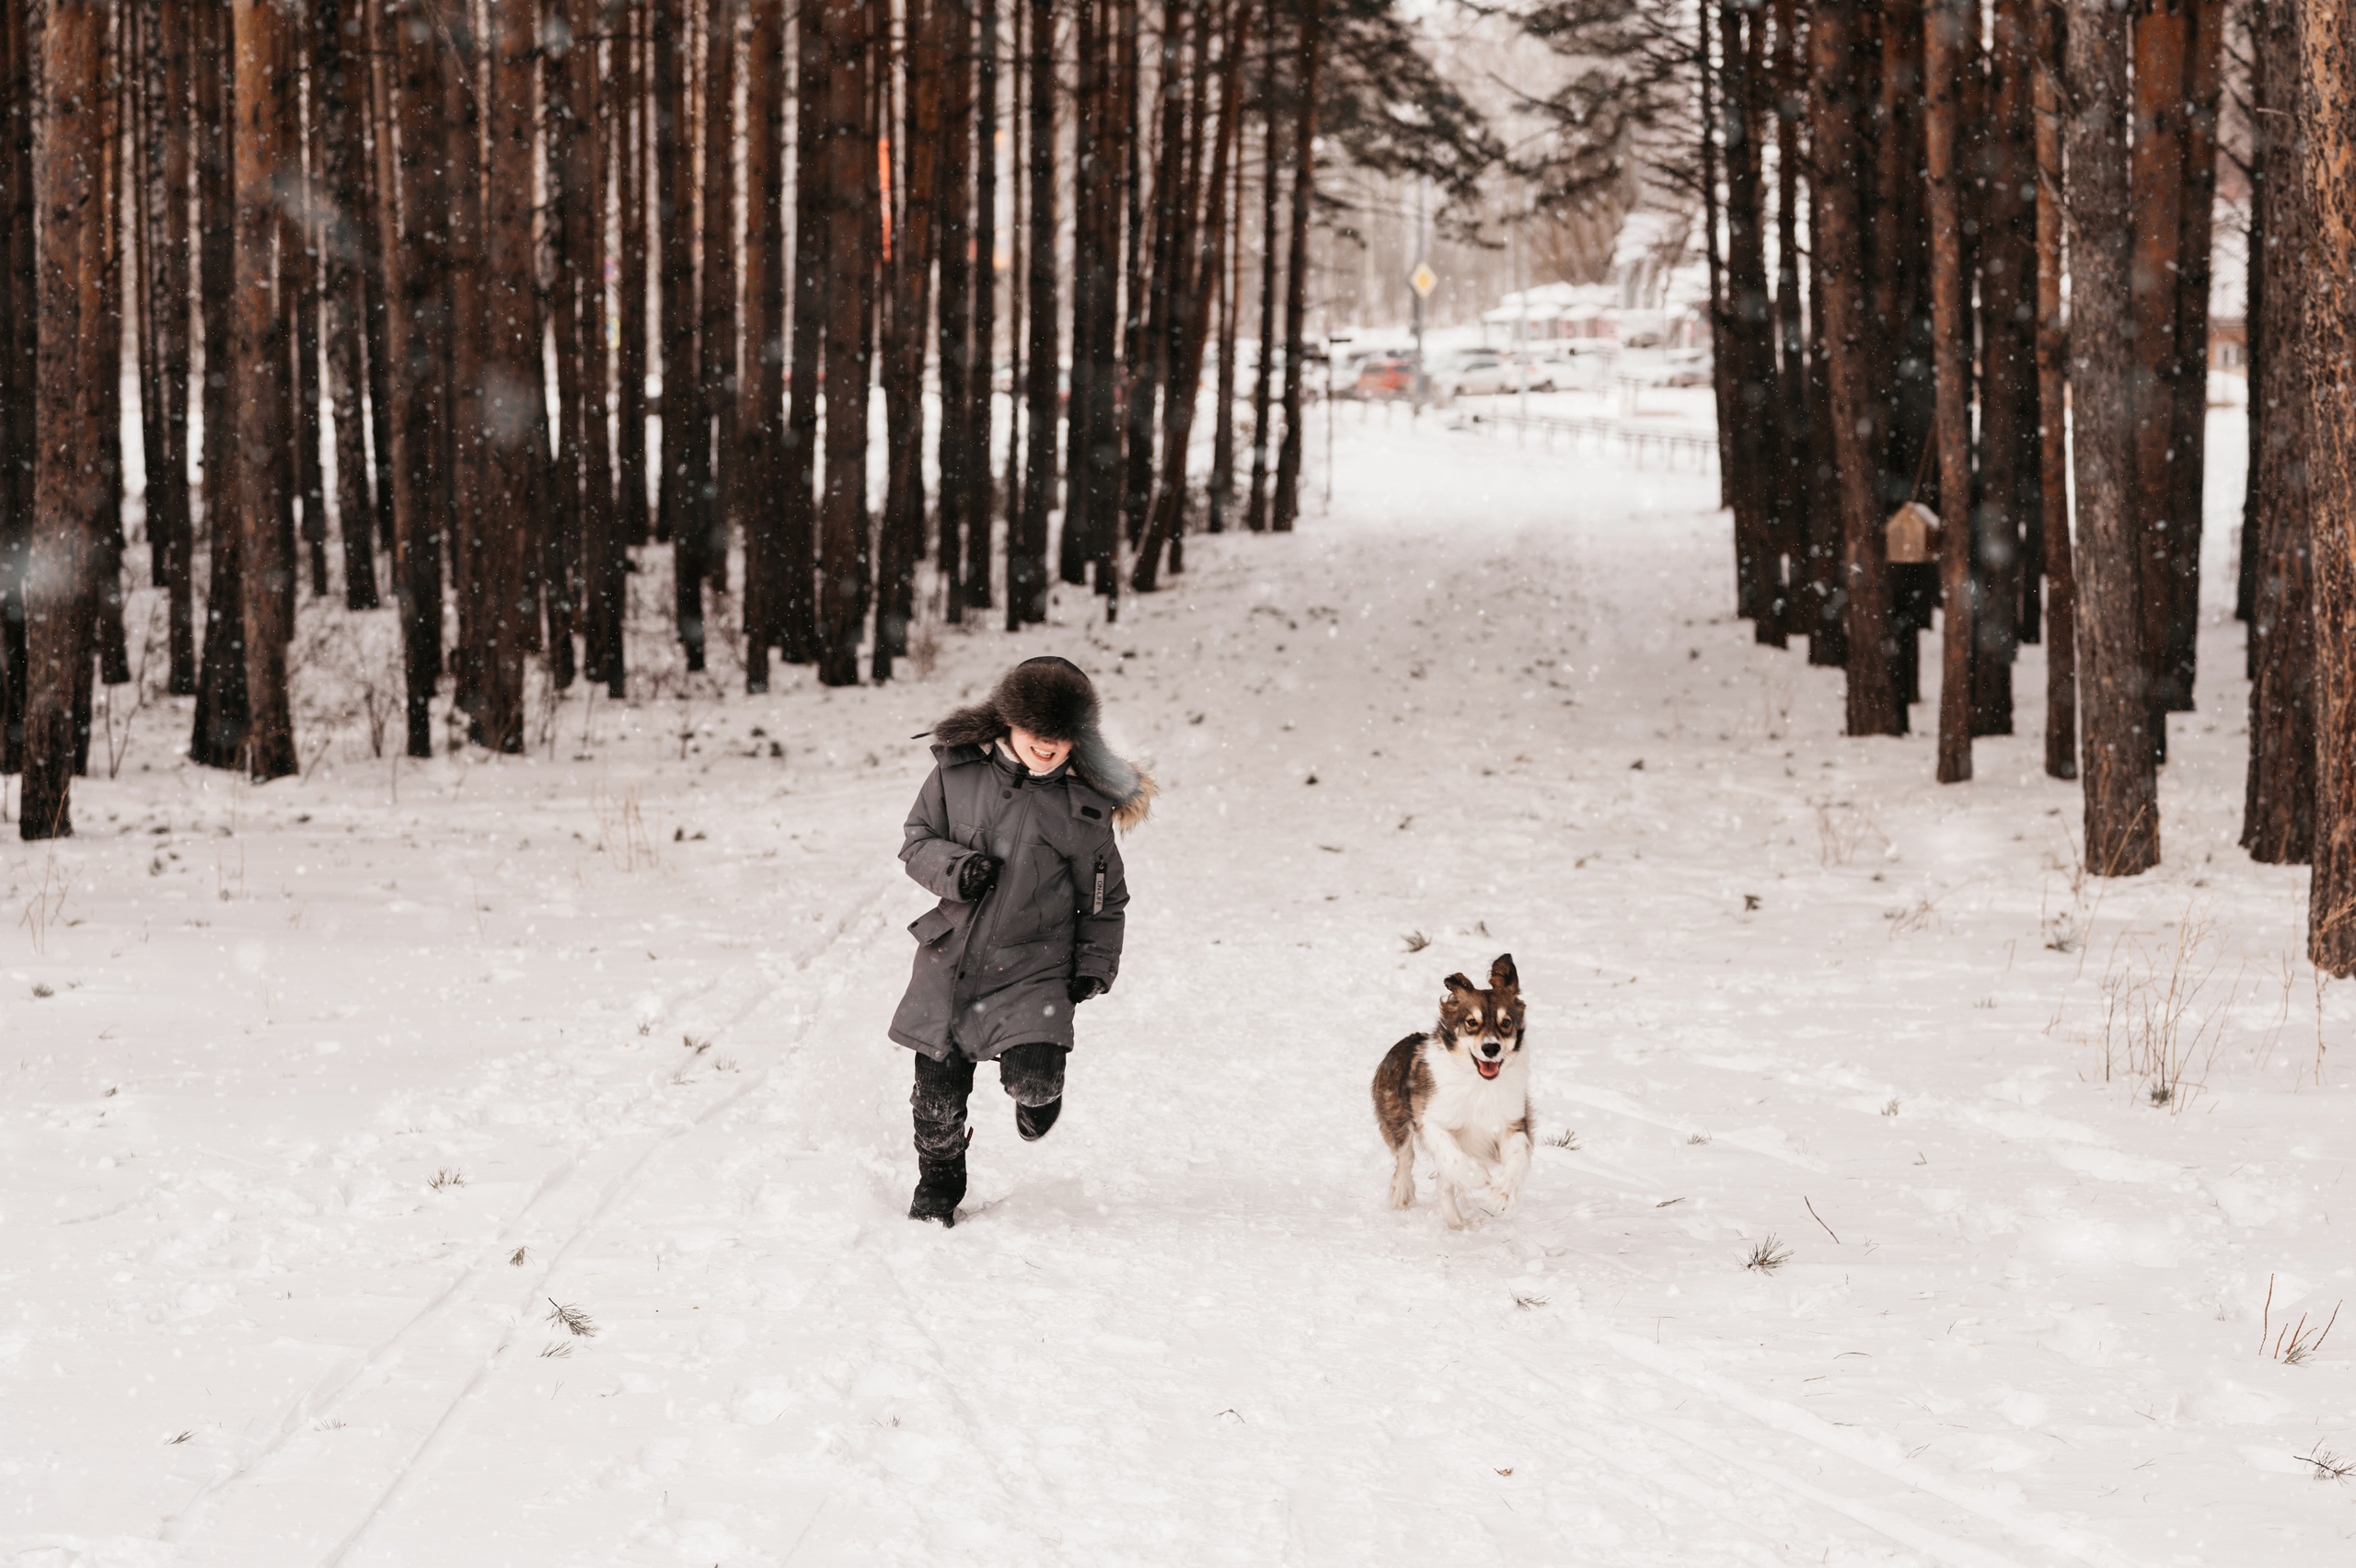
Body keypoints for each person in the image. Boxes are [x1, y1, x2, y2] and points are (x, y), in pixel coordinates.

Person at [890, 656, 1155, 1227]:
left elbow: (1106, 900)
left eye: (1062, 737)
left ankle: (1039, 1093)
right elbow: (917, 842)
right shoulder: (956, 773)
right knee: (936, 1102)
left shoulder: (1083, 808)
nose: (1048, 745)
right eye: (1038, 731)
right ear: (1009, 720)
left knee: (1033, 1083)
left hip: (1036, 967)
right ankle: (938, 1188)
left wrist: (1094, 963)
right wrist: (955, 869)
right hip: (951, 959)